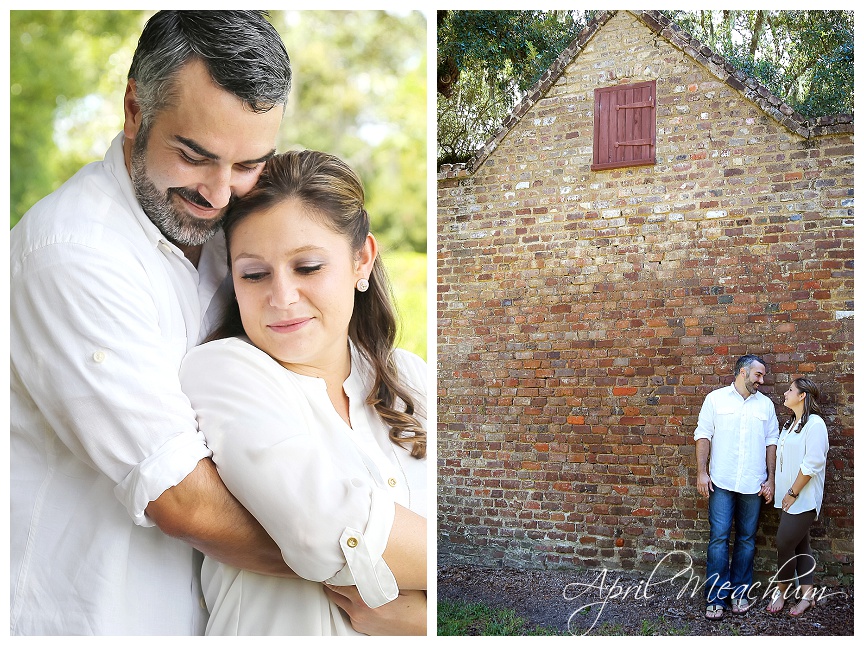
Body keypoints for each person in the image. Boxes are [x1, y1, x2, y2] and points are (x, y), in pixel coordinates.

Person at [10, 11, 296, 635]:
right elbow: (184, 500)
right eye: (195, 156)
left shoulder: (241, 239)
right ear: (135, 109)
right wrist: (381, 566)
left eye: (248, 165)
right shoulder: (73, 252)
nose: (220, 193)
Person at [178, 150, 427, 635]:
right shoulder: (224, 371)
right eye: (254, 274)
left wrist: (422, 618)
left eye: (308, 267)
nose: (282, 297)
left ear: (362, 261)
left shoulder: (412, 378)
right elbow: (325, 530)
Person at [694, 354, 779, 620]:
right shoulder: (715, 399)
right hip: (721, 481)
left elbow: (771, 442)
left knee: (746, 540)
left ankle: (740, 594)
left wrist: (771, 480)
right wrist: (701, 473)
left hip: (753, 484)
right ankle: (716, 598)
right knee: (718, 538)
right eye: (758, 375)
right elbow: (703, 434)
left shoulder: (765, 405)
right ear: (743, 372)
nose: (762, 381)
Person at [765, 377, 829, 617]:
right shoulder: (790, 424)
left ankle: (781, 591)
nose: (785, 393)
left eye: (790, 390)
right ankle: (807, 598)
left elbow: (813, 463)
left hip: (803, 498)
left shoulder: (815, 424)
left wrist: (793, 493)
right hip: (788, 498)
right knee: (802, 546)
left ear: (802, 395)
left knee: (784, 542)